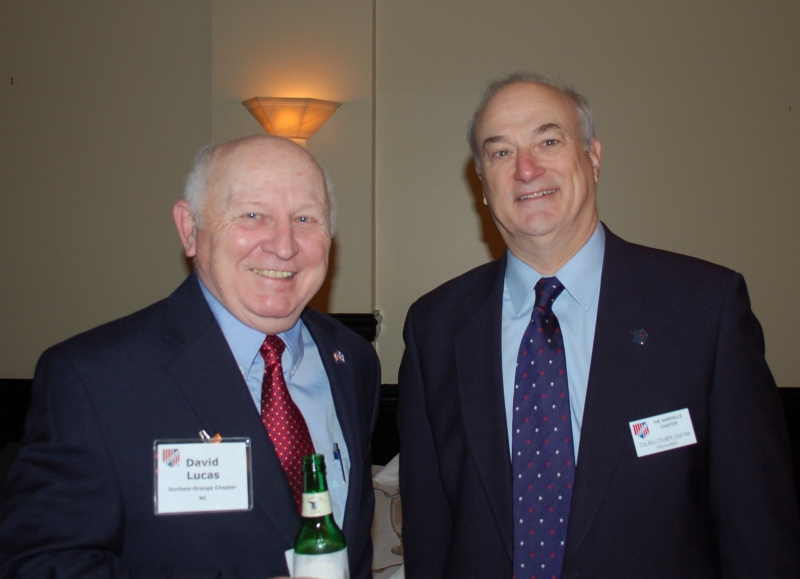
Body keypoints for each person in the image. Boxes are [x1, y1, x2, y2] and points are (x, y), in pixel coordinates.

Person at [397, 72, 800, 578]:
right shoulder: (435, 328)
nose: (526, 169)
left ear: (593, 157)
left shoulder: (704, 310)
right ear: (482, 184)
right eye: (500, 152)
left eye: (548, 141)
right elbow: (429, 536)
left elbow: (759, 536)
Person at [0, 135, 380, 578]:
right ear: (188, 229)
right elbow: (38, 565)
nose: (284, 245)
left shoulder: (352, 361)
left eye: (305, 218)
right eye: (252, 215)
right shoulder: (95, 380)